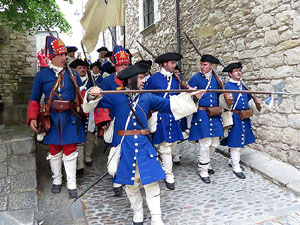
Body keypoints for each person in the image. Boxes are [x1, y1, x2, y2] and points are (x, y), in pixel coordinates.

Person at [83, 63, 205, 225]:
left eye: (144, 78)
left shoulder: (147, 96)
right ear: (130, 80)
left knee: (151, 183)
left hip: (144, 146)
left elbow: (169, 105)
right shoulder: (114, 95)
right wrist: (92, 94)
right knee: (131, 185)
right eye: (140, 78)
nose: (144, 81)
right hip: (124, 146)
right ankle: (138, 213)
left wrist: (192, 97)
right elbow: (91, 105)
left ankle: (156, 217)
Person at [27, 36, 86, 198]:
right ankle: (57, 180)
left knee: (70, 149)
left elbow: (81, 95)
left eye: (64, 54)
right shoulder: (42, 75)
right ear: (51, 56)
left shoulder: (73, 73)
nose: (63, 57)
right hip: (51, 117)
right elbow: (34, 98)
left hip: (70, 117)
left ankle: (72, 183)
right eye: (60, 55)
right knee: (54, 150)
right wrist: (33, 117)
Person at [188, 54, 233, 184]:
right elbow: (189, 97)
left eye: (205, 65)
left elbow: (222, 94)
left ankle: (206, 163)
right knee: (205, 143)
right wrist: (195, 96)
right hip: (202, 114)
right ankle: (203, 169)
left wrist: (227, 95)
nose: (202, 67)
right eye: (201, 64)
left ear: (211, 66)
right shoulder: (195, 78)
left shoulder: (216, 79)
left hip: (215, 114)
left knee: (215, 144)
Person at [144, 52, 184, 190]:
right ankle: (169, 174)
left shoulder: (177, 79)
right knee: (166, 147)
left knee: (173, 144)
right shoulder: (154, 79)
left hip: (174, 115)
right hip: (161, 116)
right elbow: (146, 98)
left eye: (174, 63)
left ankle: (164, 163)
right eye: (172, 63)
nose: (174, 65)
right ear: (164, 64)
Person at [98, 45, 130, 196]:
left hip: (132, 121)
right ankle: (117, 180)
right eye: (121, 65)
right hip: (115, 121)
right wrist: (104, 119)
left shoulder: (134, 78)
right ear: (115, 65)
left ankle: (131, 179)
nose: (124, 67)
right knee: (117, 150)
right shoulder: (107, 82)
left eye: (126, 65)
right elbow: (101, 103)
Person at [220, 62, 262, 179]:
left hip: (244, 117)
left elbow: (249, 102)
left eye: (240, 70)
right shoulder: (226, 87)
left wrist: (256, 103)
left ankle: (232, 161)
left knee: (242, 142)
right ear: (230, 73)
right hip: (234, 117)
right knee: (236, 144)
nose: (239, 72)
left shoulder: (243, 87)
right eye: (236, 71)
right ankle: (236, 166)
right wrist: (226, 121)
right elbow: (223, 106)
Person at [69, 59, 97, 177]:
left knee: (90, 137)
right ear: (76, 69)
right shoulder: (72, 82)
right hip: (77, 114)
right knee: (79, 139)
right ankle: (80, 165)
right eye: (80, 68)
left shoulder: (92, 82)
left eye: (84, 68)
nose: (82, 70)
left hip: (90, 113)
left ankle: (88, 157)